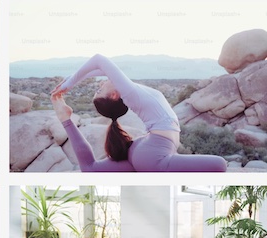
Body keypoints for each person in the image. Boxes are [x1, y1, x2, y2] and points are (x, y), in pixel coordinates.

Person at [50, 54, 227, 172]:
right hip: (152, 153)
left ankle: (65, 118)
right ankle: (65, 119)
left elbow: (99, 69)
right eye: (99, 91)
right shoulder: (129, 93)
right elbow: (98, 59)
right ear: (114, 96)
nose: (99, 85)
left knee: (90, 169)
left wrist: (70, 80)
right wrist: (70, 84)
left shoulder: (127, 91)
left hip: (144, 148)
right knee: (220, 164)